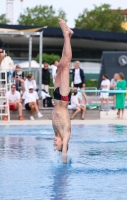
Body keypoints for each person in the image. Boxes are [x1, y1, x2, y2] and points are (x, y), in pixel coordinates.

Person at [52, 18, 73, 159]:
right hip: (64, 97)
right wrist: (63, 156)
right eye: (56, 145)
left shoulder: (55, 132)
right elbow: (64, 153)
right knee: (65, 65)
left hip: (56, 96)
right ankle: (66, 35)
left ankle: (68, 35)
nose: (54, 144)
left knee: (60, 64)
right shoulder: (66, 134)